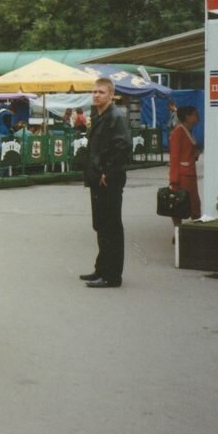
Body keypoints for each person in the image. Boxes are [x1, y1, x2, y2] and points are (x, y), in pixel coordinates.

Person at [81, 77, 130, 288]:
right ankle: (101, 269)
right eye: (94, 92)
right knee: (101, 225)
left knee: (111, 227)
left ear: (111, 95)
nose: (96, 95)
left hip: (108, 179)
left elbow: (123, 147)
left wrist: (107, 172)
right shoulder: (99, 115)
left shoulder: (115, 116)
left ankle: (112, 276)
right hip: (97, 179)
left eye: (101, 92)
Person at [168, 105, 202, 228]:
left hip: (190, 174)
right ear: (187, 116)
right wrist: (173, 180)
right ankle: (177, 231)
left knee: (194, 203)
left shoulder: (188, 130)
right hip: (182, 176)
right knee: (180, 203)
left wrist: (194, 154)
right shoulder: (178, 132)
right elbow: (174, 157)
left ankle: (193, 229)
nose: (197, 116)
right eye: (194, 114)